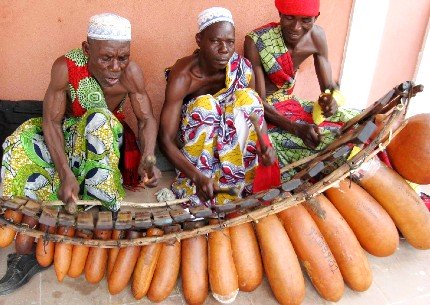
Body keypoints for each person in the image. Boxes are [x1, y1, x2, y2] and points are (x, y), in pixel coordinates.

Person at [0, 13, 160, 294]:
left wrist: (149, 157)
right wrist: (64, 174)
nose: (115, 67)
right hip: (67, 131)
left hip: (102, 136)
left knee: (100, 120)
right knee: (20, 140)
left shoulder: (131, 73)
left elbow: (146, 119)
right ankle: (25, 248)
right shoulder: (65, 67)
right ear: (87, 50)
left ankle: (94, 231)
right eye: (106, 58)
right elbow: (51, 121)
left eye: (122, 57)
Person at [159, 7, 277, 207]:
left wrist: (265, 146)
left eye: (230, 42)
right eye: (215, 41)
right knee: (206, 106)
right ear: (199, 40)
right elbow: (165, 140)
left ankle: (241, 182)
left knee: (248, 98)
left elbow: (256, 114)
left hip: (236, 157)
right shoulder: (184, 75)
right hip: (198, 164)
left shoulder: (242, 69)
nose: (224, 49)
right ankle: (201, 185)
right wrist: (196, 177)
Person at [244, 0, 358, 179]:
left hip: (292, 104)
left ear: (316, 18)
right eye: (289, 17)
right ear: (280, 14)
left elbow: (328, 89)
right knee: (326, 141)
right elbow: (257, 103)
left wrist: (330, 100)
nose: (296, 27)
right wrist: (296, 129)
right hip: (268, 114)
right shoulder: (256, 41)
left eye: (306, 20)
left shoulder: (317, 36)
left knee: (359, 120)